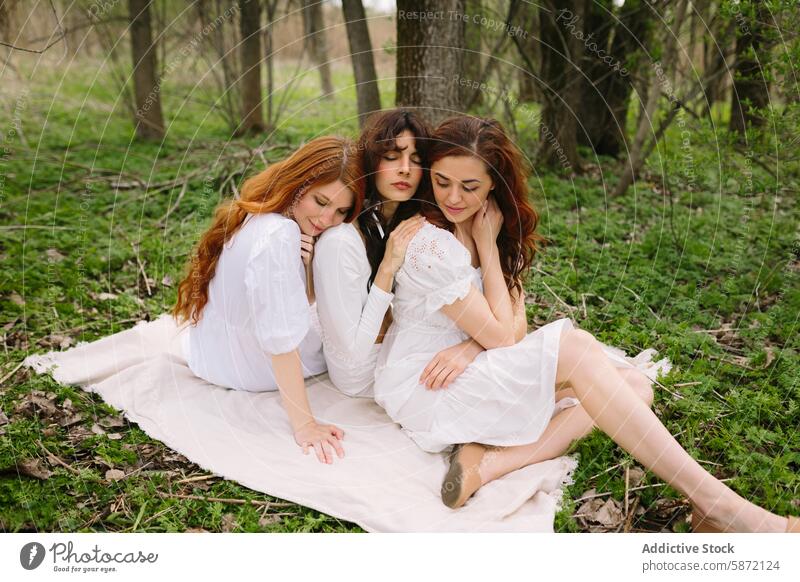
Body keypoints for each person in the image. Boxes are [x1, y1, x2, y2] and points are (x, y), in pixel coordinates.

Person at [373, 116, 798, 533]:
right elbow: (504, 337)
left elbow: (514, 330)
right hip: (428, 383)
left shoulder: (490, 226)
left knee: (636, 386)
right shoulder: (429, 242)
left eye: (470, 186)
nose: (453, 197)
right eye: (442, 181)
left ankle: (488, 464)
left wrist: (481, 294)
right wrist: (484, 259)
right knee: (575, 351)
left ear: (493, 187)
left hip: (471, 366)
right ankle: (718, 506)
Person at [172, 136, 363, 465]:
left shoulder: (258, 211)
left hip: (209, 356)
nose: (326, 219)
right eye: (320, 201)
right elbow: (280, 338)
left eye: (341, 211)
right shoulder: (280, 235)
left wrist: (305, 266)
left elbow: (278, 302)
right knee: (349, 334)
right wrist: (305, 424)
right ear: (299, 184)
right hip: (249, 369)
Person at [314, 109, 484, 397]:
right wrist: (386, 270)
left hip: (409, 348)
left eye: (416, 160)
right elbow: (353, 353)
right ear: (372, 161)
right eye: (392, 157)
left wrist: (473, 345)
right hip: (365, 373)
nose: (405, 168)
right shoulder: (341, 241)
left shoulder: (415, 222)